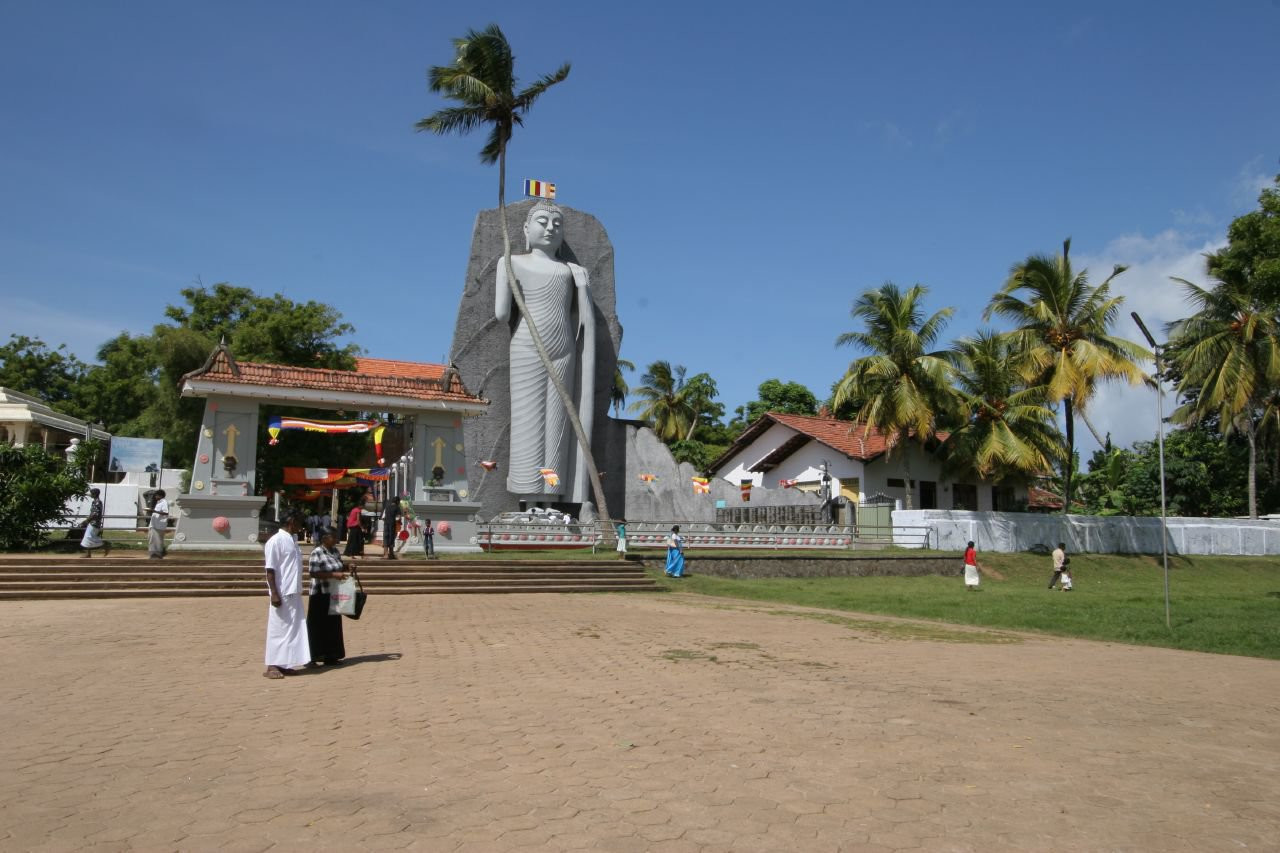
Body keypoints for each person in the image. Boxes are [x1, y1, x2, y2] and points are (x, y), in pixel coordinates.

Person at [495, 201, 596, 504]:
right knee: (528, 422)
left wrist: (582, 286)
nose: (550, 228)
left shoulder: (570, 271)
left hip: (563, 349)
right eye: (542, 221)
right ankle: (526, 497)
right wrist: (509, 282)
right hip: (528, 346)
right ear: (526, 229)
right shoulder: (512, 262)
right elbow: (501, 314)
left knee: (558, 426)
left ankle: (550, 499)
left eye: (557, 224)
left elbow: (583, 320)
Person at [263, 512, 311, 679]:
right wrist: (274, 593)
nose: (301, 525)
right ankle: (272, 665)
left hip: (294, 591)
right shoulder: (275, 541)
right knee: (278, 629)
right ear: (291, 521)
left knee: (292, 629)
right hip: (281, 592)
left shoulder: (293, 540)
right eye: (299, 522)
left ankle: (285, 663)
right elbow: (270, 570)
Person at [307, 526, 350, 667]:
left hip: (334, 592)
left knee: (333, 625)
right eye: (333, 536)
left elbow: (339, 566)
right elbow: (313, 573)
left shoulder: (335, 551)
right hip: (320, 594)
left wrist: (348, 567)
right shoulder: (317, 553)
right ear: (325, 538)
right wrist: (333, 575)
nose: (336, 539)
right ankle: (313, 655)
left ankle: (331, 655)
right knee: (317, 626)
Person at [79, 488, 111, 558]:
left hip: (94, 523)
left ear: (95, 494)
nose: (90, 495)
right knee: (89, 538)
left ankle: (105, 544)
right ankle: (89, 553)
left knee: (88, 537)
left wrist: (86, 521)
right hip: (93, 522)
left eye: (91, 493)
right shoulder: (96, 502)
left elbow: (95, 514)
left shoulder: (97, 502)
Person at [146, 490, 168, 559]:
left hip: (158, 525)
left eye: (156, 495)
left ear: (160, 495)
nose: (155, 497)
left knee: (155, 540)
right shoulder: (159, 503)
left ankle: (156, 554)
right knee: (154, 540)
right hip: (155, 524)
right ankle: (156, 554)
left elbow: (166, 512)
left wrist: (154, 511)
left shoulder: (164, 502)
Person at [380, 495, 399, 560]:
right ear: (397, 502)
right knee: (391, 538)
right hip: (392, 525)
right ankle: (391, 554)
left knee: (386, 538)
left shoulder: (387, 507)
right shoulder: (397, 507)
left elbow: (383, 517)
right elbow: (398, 518)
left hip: (386, 524)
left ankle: (385, 554)